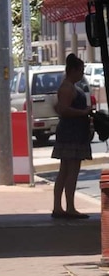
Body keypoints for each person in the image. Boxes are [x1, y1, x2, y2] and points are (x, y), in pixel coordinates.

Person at [51, 53, 92, 219]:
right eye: (80, 70)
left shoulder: (69, 86)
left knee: (65, 170)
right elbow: (63, 109)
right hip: (71, 133)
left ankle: (60, 207)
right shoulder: (67, 88)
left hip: (72, 132)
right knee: (71, 171)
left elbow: (57, 107)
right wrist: (83, 112)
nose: (82, 74)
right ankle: (69, 207)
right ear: (73, 70)